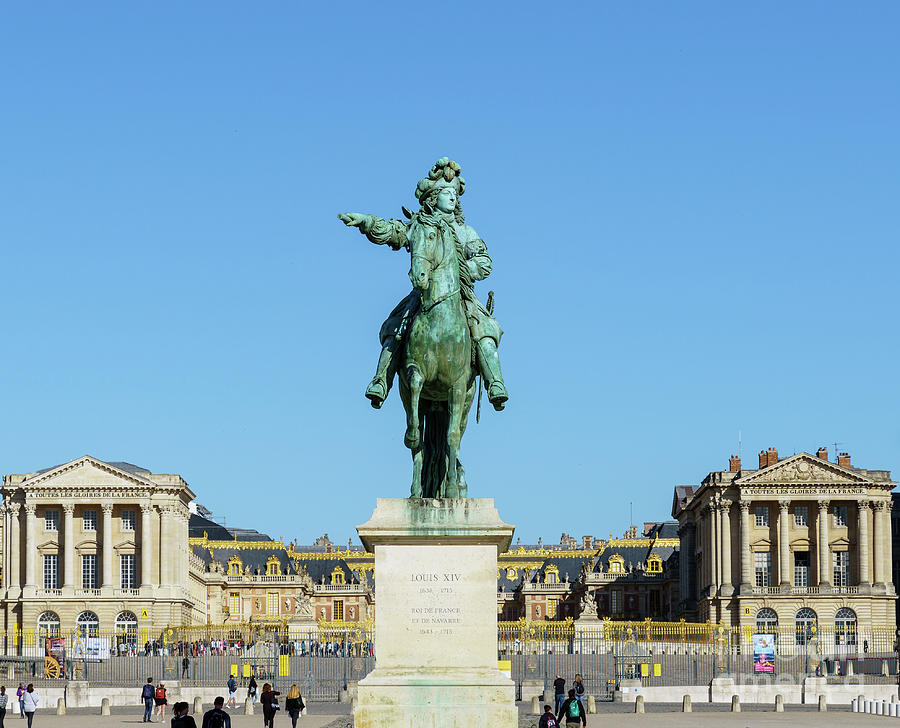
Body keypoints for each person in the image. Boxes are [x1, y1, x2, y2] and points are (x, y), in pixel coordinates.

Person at [339, 157, 508, 411]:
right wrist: (367, 222)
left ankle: (495, 382)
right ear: (433, 197)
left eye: (454, 194)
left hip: (460, 294)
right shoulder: (418, 225)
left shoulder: (465, 232)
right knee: (395, 326)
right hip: (423, 293)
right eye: (446, 193)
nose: (452, 198)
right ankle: (381, 380)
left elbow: (485, 262)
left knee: (485, 330)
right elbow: (392, 232)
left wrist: (463, 271)